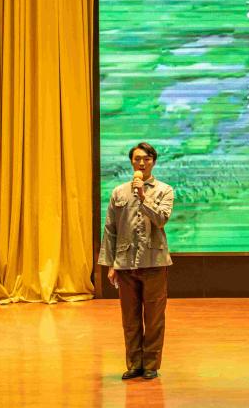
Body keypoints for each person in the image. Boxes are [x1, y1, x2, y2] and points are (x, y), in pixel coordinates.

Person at [98, 142, 174, 380]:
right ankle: (134, 364)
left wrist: (143, 197)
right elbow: (110, 229)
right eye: (138, 158)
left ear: (154, 162)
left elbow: (161, 219)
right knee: (129, 319)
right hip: (125, 263)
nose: (142, 163)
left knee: (154, 318)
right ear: (131, 161)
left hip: (154, 262)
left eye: (147, 159)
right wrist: (111, 264)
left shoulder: (164, 190)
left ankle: (150, 364)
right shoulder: (119, 192)